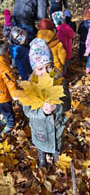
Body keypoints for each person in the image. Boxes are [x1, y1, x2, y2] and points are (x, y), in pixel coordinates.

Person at [23, 38, 71, 167]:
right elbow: (27, 111)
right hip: (40, 129)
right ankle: (42, 155)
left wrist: (57, 107)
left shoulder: (59, 81)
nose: (46, 72)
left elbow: (67, 104)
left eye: (49, 67)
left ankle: (57, 157)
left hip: (57, 126)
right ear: (34, 69)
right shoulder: (29, 87)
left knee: (56, 144)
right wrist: (42, 112)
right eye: (40, 69)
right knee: (41, 143)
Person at [0, 40, 18, 135]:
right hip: (2, 94)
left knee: (4, 109)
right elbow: (9, 78)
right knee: (6, 109)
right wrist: (15, 93)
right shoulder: (2, 63)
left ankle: (9, 122)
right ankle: (10, 123)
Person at [52, 11, 75, 75]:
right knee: (65, 64)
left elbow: (61, 44)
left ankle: (61, 76)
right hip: (68, 52)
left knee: (61, 66)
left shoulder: (60, 32)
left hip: (62, 53)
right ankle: (64, 74)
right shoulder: (67, 28)